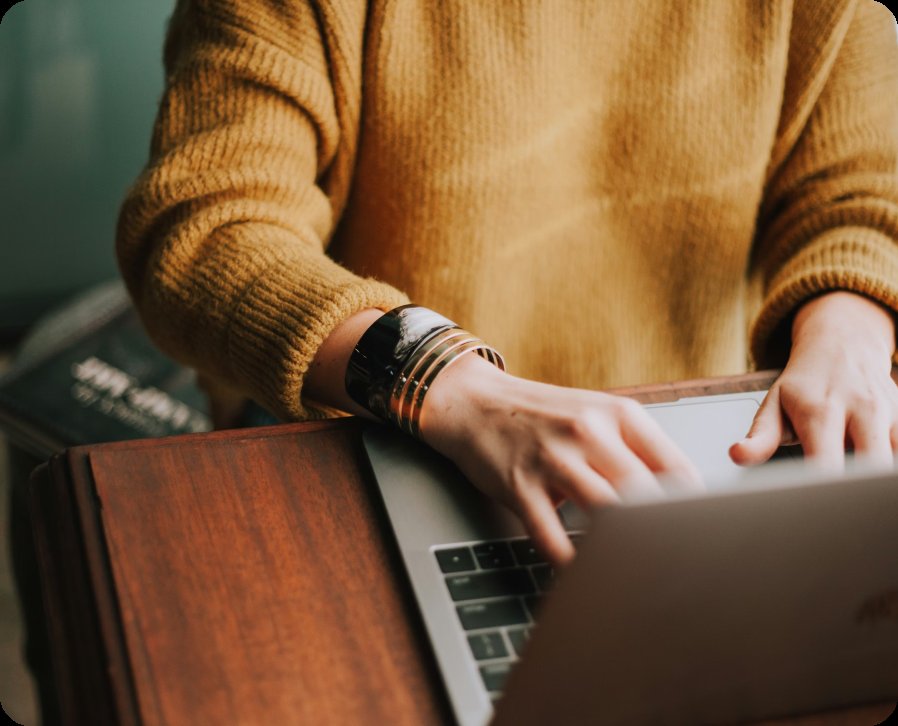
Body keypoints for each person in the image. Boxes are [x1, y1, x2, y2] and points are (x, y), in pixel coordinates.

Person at [117, 0, 898, 565]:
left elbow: (862, 197)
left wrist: (851, 330)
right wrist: (450, 385)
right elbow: (206, 230)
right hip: (382, 441)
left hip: (697, 459)